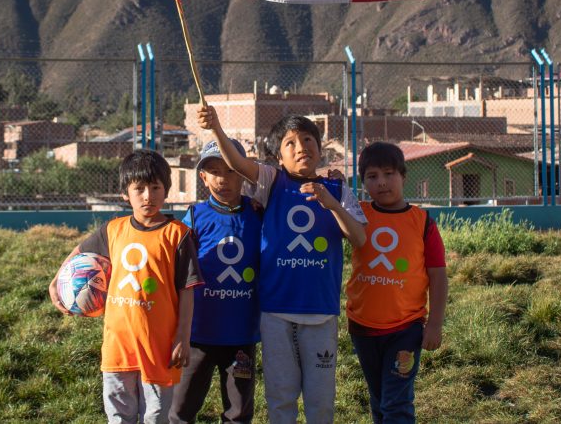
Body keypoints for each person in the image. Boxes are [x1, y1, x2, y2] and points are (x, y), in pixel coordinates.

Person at [198, 106, 367, 424]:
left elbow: (359, 239)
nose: (301, 147)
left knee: (321, 404)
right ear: (278, 157)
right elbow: (236, 163)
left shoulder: (338, 189)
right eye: (290, 143)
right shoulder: (272, 182)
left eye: (307, 139)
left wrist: (331, 205)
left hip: (321, 313)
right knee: (280, 399)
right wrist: (217, 128)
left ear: (320, 147)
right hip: (275, 313)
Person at [49, 150, 204, 424]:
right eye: (139, 189)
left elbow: (187, 289)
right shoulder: (113, 230)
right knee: (119, 416)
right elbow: (80, 252)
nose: (148, 196)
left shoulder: (177, 235)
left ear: (166, 191)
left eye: (155, 188)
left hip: (159, 347)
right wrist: (57, 280)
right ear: (125, 193)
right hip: (118, 346)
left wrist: (182, 336)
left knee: (155, 417)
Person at [346, 142, 447, 424]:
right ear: (364, 182)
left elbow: (438, 275)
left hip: (406, 329)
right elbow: (328, 211)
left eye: (389, 174)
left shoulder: (423, 222)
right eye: (372, 176)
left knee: (396, 403)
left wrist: (435, 324)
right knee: (379, 400)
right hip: (363, 328)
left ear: (403, 175)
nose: (381, 182)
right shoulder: (358, 215)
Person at [170, 138, 262, 424]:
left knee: (238, 413)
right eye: (214, 171)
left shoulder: (259, 213)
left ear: (244, 171)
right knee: (182, 410)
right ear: (203, 177)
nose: (223, 179)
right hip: (199, 334)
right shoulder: (194, 217)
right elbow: (177, 268)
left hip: (242, 335)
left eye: (231, 170)